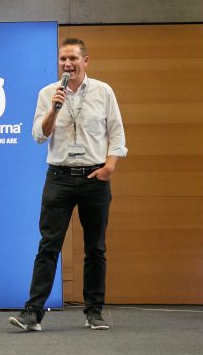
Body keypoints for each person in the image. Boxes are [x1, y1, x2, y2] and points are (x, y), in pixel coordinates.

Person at [9, 37, 127, 332]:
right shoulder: (48, 93)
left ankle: (94, 312)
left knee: (95, 248)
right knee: (48, 246)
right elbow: (39, 135)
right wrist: (54, 109)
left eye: (73, 58)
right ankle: (33, 313)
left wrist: (109, 167)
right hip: (59, 178)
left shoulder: (103, 91)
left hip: (94, 177)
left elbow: (116, 132)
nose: (68, 63)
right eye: (63, 59)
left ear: (85, 61)